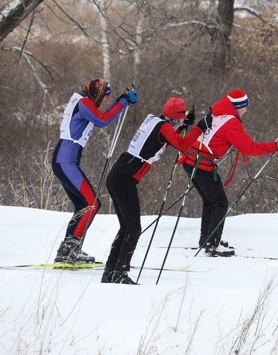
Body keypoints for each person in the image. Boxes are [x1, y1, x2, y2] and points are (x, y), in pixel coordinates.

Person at [102, 97, 201, 284]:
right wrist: (199, 128)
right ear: (176, 116)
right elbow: (182, 145)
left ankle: (110, 272)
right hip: (124, 179)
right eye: (183, 115)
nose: (184, 118)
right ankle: (120, 274)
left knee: (127, 228)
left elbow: (167, 137)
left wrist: (183, 126)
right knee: (133, 229)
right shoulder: (164, 127)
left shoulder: (156, 121)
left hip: (119, 175)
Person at [181, 89, 278, 257]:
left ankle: (207, 240)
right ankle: (212, 245)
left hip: (190, 161)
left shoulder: (216, 114)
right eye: (244, 107)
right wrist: (275, 146)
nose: (246, 111)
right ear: (237, 107)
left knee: (211, 201)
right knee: (220, 203)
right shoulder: (231, 122)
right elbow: (249, 148)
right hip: (201, 165)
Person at [52, 79, 138, 263]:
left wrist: (120, 101)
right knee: (92, 204)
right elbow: (102, 120)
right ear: (97, 93)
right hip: (65, 161)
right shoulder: (84, 103)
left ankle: (67, 250)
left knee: (84, 206)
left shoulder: (85, 102)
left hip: (65, 160)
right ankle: (70, 249)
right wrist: (123, 102)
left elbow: (100, 119)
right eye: (105, 96)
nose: (106, 100)